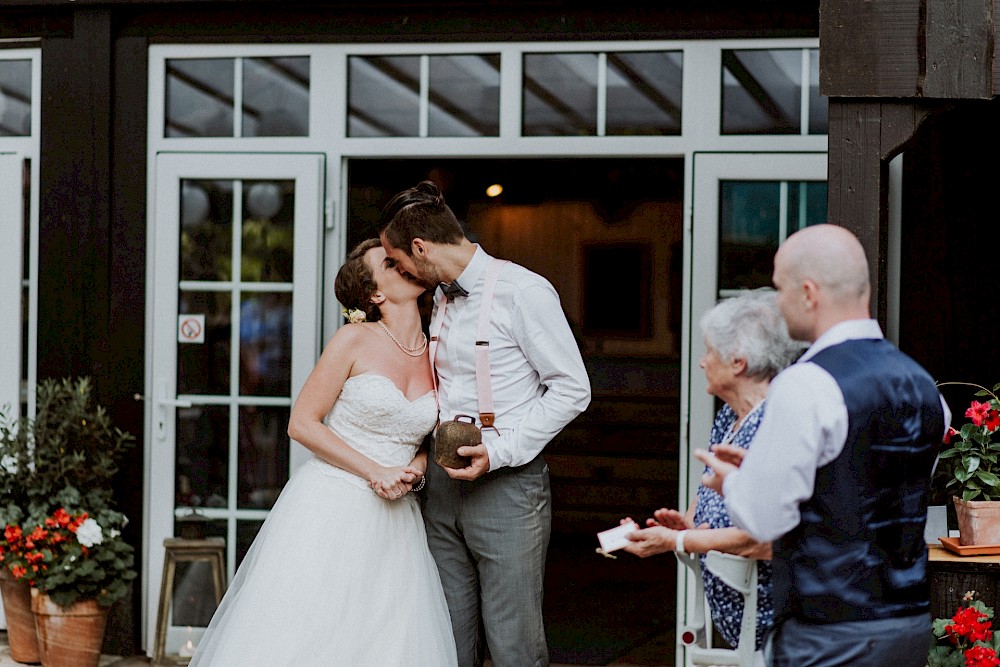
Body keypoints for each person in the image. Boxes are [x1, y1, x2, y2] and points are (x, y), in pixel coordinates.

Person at [189, 238, 458, 667]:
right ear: (375, 294)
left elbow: (429, 438)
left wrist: (416, 469)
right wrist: (375, 471)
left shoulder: (438, 348)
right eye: (390, 263)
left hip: (396, 522)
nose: (404, 263)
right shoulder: (353, 339)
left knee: (383, 639)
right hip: (332, 507)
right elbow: (302, 423)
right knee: (311, 634)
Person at [696, 224, 951, 667]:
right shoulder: (925, 386)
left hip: (828, 632)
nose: (776, 302)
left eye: (779, 288)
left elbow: (762, 519)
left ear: (808, 293)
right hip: (908, 626)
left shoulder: (806, 384)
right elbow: (877, 494)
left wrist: (736, 481)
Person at [379, 180, 592, 667]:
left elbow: (572, 389)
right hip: (440, 487)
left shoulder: (525, 291)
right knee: (446, 634)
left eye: (398, 261)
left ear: (420, 247)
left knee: (512, 642)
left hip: (509, 488)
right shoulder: (440, 298)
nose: (401, 272)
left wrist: (499, 451)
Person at [622, 289, 802, 665]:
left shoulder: (778, 423)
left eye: (709, 351)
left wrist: (678, 539)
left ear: (737, 362)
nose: (702, 362)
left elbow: (765, 538)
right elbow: (714, 494)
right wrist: (688, 524)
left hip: (777, 624)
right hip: (737, 622)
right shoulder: (730, 415)